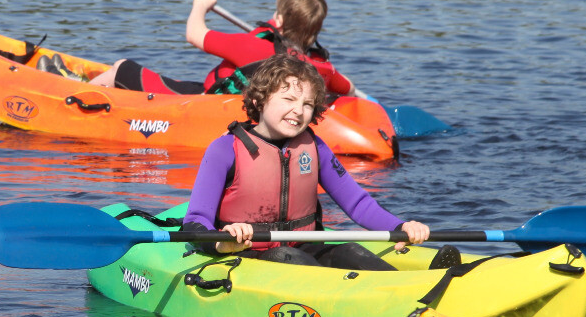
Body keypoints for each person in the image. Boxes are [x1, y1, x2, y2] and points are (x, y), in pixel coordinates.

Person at [182, 54, 427, 269]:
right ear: (259, 101)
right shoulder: (225, 150)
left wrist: (400, 227)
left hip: (303, 250)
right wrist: (223, 242)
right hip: (243, 256)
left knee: (351, 251)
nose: (299, 111)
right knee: (287, 256)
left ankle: (415, 290)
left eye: (307, 104)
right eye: (288, 99)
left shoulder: (315, 148)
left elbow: (358, 204)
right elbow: (195, 220)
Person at [86, 0, 357, 98]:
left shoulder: (252, 46)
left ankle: (69, 95)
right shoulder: (321, 67)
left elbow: (195, 34)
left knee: (121, 67)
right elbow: (350, 89)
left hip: (201, 104)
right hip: (229, 105)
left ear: (281, 20)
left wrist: (201, 4)